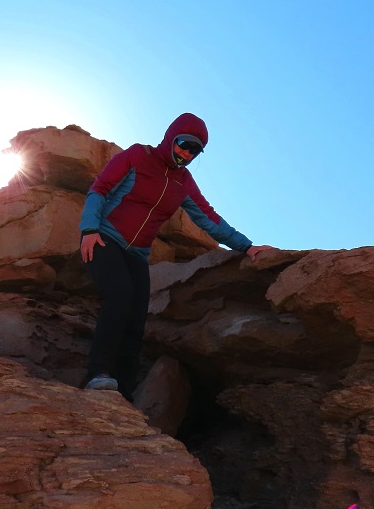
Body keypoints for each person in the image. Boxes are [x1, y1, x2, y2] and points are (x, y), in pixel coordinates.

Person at [79, 112, 274, 400]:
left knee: (136, 318)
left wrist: (246, 246)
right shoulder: (138, 155)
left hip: (138, 254)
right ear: (171, 138)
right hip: (104, 238)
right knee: (120, 294)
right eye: (184, 144)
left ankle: (124, 393)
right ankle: (98, 373)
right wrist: (89, 229)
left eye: (195, 150)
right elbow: (100, 189)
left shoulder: (184, 182)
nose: (187, 153)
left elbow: (208, 218)